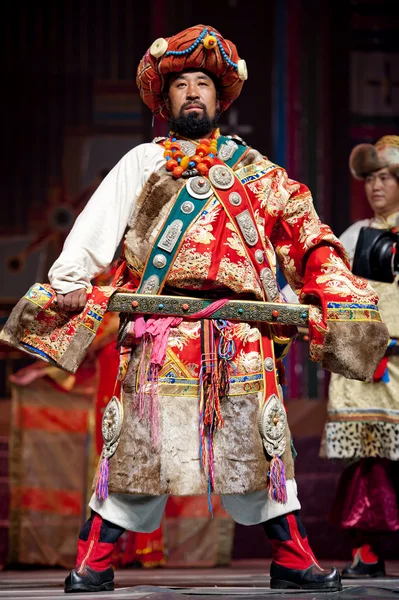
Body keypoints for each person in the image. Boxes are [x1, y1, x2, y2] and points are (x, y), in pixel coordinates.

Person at [0, 25, 389, 594]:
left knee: (257, 446)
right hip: (160, 332)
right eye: (180, 84)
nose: (191, 93)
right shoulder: (141, 162)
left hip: (240, 336)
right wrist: (71, 279)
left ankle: (292, 558)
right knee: (140, 445)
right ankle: (95, 559)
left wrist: (334, 293)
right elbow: (95, 227)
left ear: (219, 97)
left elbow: (309, 237)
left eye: (202, 83)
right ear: (166, 99)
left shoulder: (258, 173)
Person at [322, 136, 399, 578]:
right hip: (368, 366)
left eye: (385, 177)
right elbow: (319, 283)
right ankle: (365, 551)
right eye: (370, 178)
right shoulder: (354, 235)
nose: (376, 187)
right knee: (367, 460)